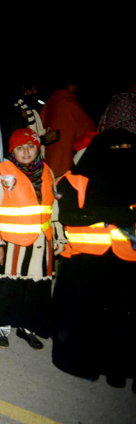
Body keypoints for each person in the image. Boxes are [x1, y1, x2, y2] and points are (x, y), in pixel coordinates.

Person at [52, 129, 136, 388]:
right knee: (83, 316)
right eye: (116, 148)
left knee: (120, 319)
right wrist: (116, 214)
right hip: (85, 261)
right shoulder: (74, 180)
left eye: (127, 147)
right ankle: (82, 364)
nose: (122, 154)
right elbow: (70, 216)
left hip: (124, 261)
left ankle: (117, 369)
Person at [0, 128, 66, 349]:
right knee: (5, 287)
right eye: (19, 148)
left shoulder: (47, 171)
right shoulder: (0, 173)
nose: (26, 152)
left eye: (30, 146)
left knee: (34, 289)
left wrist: (56, 236)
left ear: (38, 147)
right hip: (10, 244)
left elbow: (52, 206)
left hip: (40, 242)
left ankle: (28, 327)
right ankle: (0, 326)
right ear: (12, 151)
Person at [39, 80, 96, 177]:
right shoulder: (70, 104)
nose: (77, 88)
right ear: (68, 85)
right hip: (65, 163)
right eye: (75, 85)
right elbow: (90, 131)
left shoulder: (49, 103)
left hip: (46, 162)